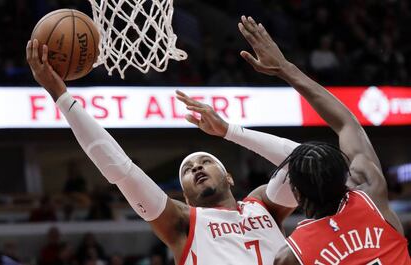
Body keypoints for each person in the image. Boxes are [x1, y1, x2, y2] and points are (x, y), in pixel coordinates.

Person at [26, 18, 302, 263]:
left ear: (229, 177)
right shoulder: (184, 223)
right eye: (187, 170)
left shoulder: (262, 206)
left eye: (205, 161)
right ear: (185, 196)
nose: (196, 168)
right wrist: (62, 97)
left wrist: (231, 131)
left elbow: (302, 160)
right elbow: (122, 170)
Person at [232, 15, 411, 265]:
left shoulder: (291, 257)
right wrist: (286, 68)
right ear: (345, 177)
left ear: (295, 192)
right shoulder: (372, 193)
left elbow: (346, 124)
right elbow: (347, 122)